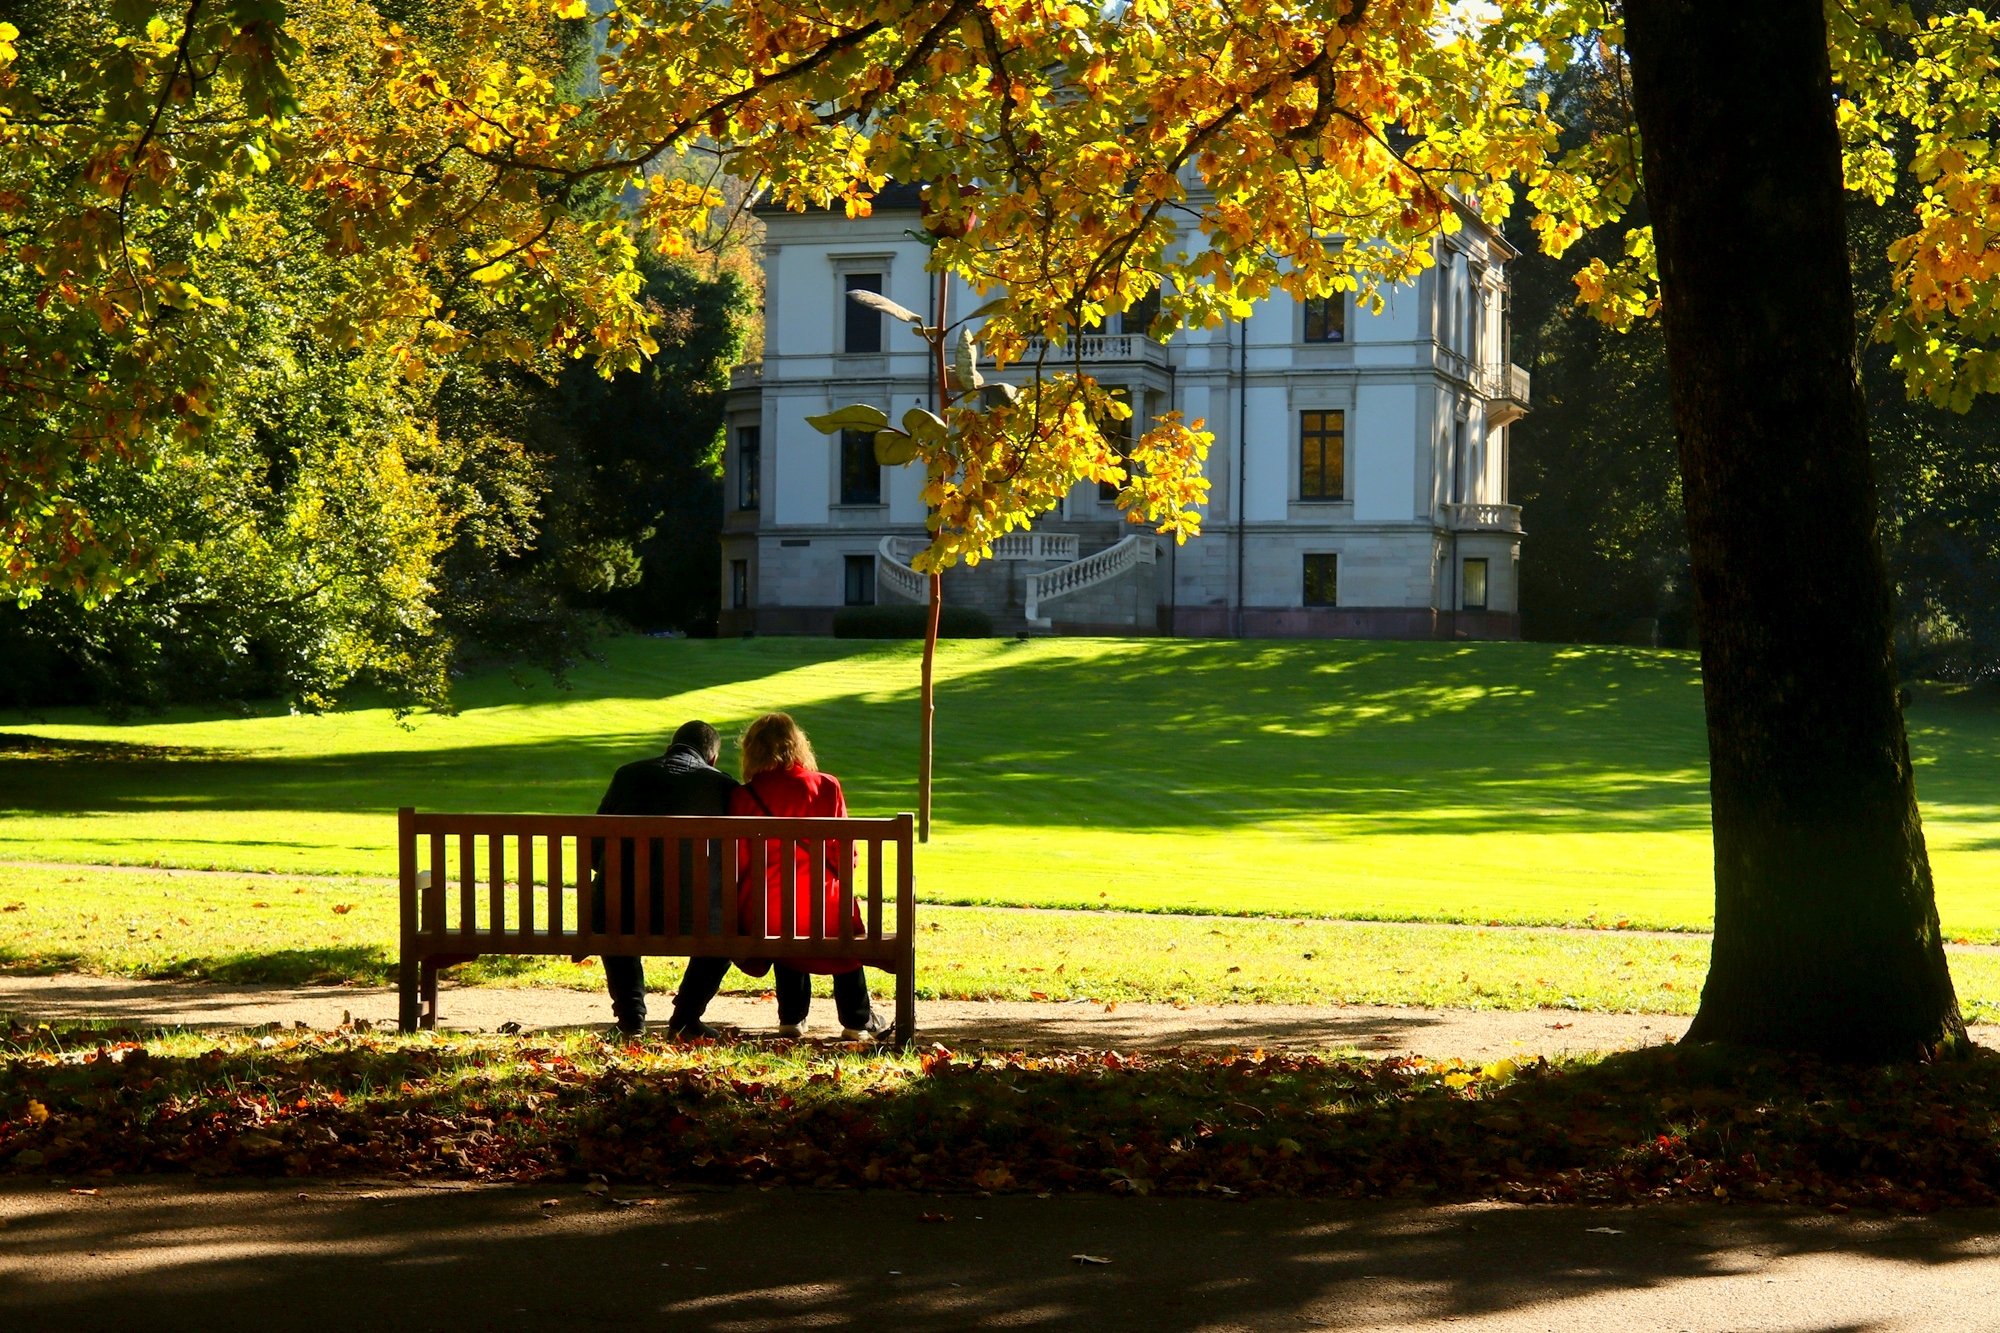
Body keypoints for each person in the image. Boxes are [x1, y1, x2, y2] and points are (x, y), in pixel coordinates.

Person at [730, 713, 890, 1041]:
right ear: (797, 745)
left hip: (765, 914)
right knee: (834, 912)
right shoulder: (826, 787)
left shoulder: (743, 797)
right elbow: (847, 860)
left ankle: (791, 1016)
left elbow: (738, 862)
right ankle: (857, 1020)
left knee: (778, 908)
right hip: (823, 913)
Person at [592, 719, 738, 1039]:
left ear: (668, 749)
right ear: (712, 759)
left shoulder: (628, 774)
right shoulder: (723, 786)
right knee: (728, 921)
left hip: (622, 913)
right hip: (695, 916)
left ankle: (631, 1019)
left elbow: (595, 847)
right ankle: (686, 1017)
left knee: (613, 901)